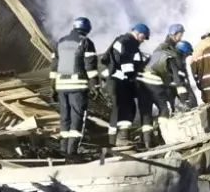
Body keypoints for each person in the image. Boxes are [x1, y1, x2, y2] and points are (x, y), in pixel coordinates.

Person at [50, 16, 98, 157]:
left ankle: (63, 150)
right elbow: (91, 66)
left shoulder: (61, 42)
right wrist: (95, 85)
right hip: (77, 86)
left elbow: (54, 66)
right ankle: (72, 152)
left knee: (65, 119)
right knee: (77, 119)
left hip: (61, 87)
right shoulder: (86, 42)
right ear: (87, 29)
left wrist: (53, 87)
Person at [137, 39, 195, 148]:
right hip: (151, 81)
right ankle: (163, 137)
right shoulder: (172, 57)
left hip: (140, 83)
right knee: (165, 108)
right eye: (186, 55)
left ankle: (147, 143)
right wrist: (184, 100)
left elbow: (168, 78)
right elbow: (178, 81)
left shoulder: (159, 53)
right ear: (183, 53)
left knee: (146, 113)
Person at [103, 23, 150, 148]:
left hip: (114, 80)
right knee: (127, 108)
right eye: (143, 38)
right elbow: (127, 64)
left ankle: (112, 141)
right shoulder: (129, 42)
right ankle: (122, 138)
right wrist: (133, 79)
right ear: (139, 33)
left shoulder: (121, 40)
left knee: (118, 109)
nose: (143, 41)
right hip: (120, 81)